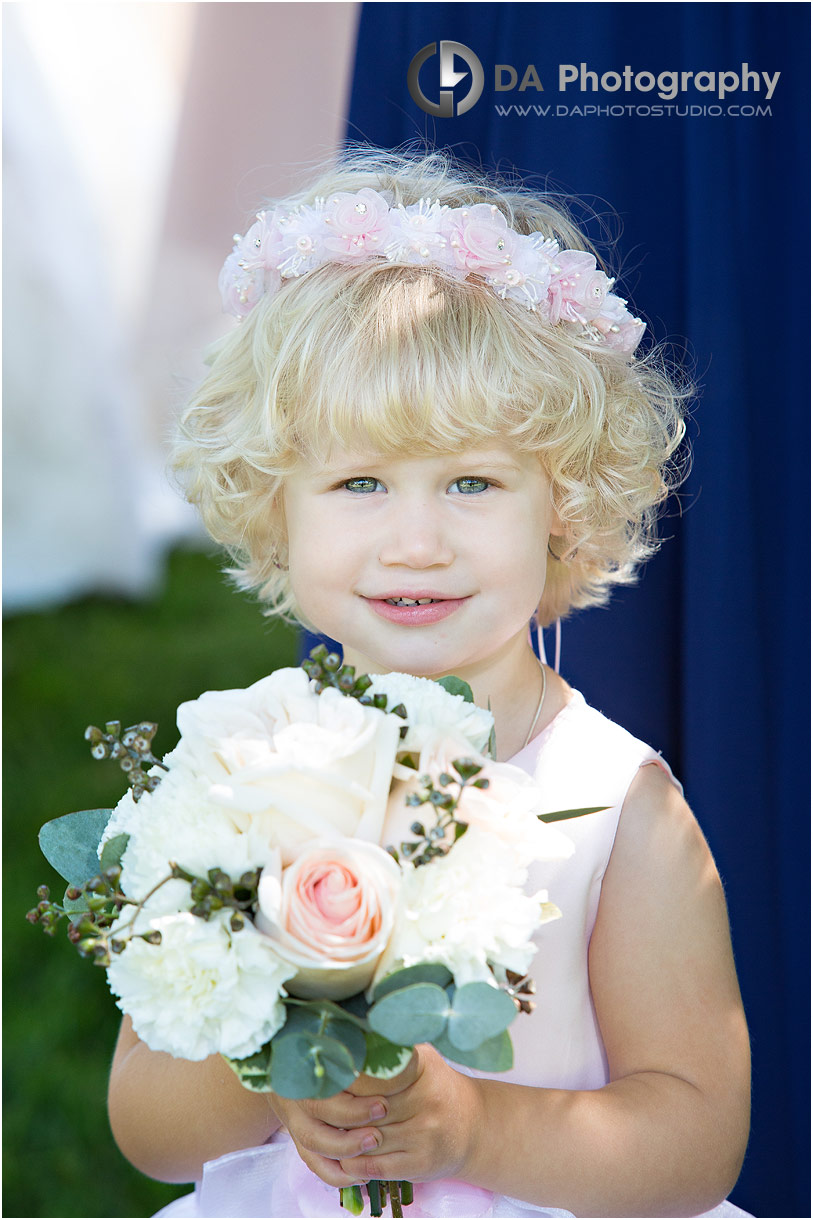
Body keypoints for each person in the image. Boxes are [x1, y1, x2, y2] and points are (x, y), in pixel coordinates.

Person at [107, 144, 751, 1218]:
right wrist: (269, 1047)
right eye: (359, 480)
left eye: (471, 481)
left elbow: (697, 1135)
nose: (416, 540)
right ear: (277, 508)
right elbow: (148, 1130)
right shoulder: (236, 772)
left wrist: (475, 1127)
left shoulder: (612, 801)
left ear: (562, 506)